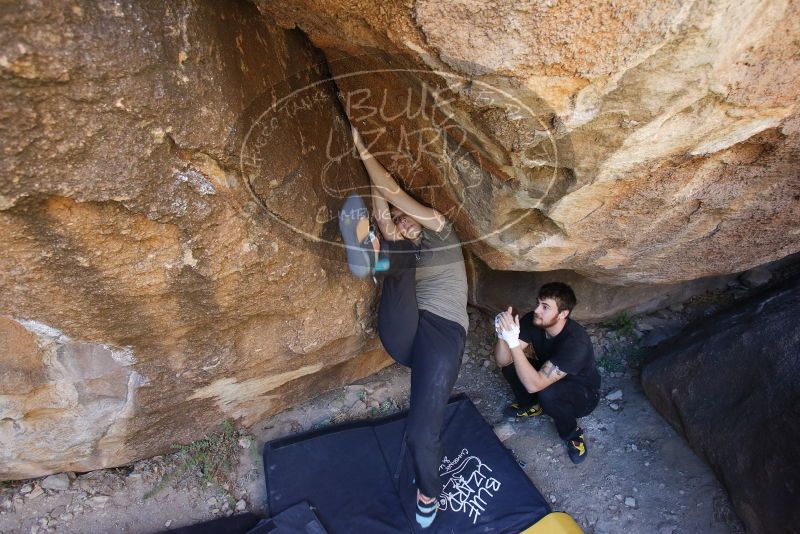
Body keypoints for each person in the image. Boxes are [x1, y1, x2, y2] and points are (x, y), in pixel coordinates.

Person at [338, 126, 469, 528]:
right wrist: (383, 218)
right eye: (397, 220)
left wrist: (362, 150)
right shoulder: (406, 246)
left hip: (442, 335)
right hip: (406, 331)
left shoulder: (441, 230)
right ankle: (372, 255)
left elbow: (392, 193)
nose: (403, 222)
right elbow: (384, 208)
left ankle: (429, 491)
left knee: (421, 434)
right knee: (398, 264)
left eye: (405, 219)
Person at [493, 282, 600, 464]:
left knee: (547, 393)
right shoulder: (534, 321)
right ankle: (531, 406)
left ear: (563, 314)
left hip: (582, 395)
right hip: (548, 377)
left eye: (545, 307)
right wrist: (503, 336)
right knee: (512, 365)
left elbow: (534, 384)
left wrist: (513, 343)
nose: (537, 310)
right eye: (538, 303)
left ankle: (572, 434)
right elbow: (503, 361)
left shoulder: (576, 342)